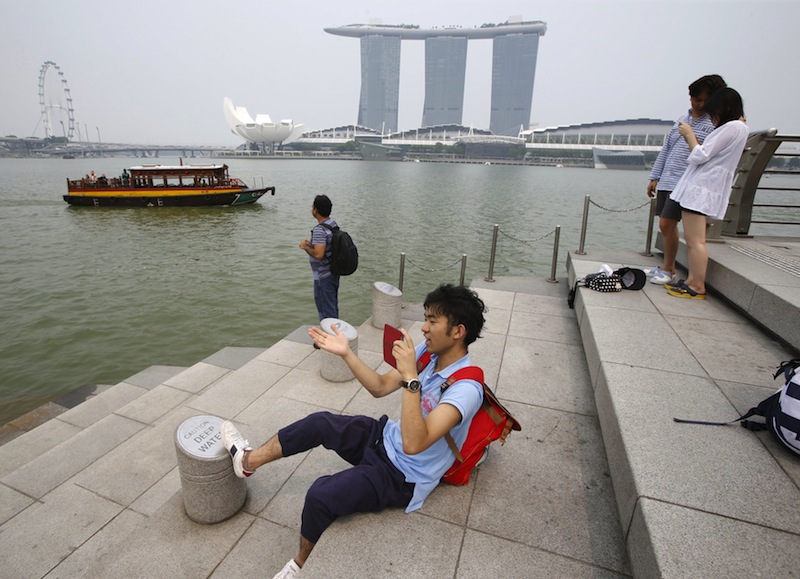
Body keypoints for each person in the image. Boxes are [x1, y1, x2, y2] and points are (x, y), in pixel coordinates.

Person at [221, 284, 487, 579]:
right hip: (385, 437)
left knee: (320, 495)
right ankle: (247, 462)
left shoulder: (467, 389)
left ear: (458, 332)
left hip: (403, 476)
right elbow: (380, 387)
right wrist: (346, 353)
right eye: (425, 318)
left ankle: (299, 564)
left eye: (432, 321)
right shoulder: (427, 352)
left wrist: (412, 377)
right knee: (319, 423)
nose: (423, 328)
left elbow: (414, 444)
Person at [666, 87, 748, 299]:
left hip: (701, 188)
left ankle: (696, 285)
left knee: (695, 241)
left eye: (714, 113)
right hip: (707, 187)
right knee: (696, 240)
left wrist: (689, 136)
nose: (712, 118)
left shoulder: (732, 127)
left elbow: (701, 154)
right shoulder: (740, 127)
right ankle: (693, 281)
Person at [646, 74, 727, 285]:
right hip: (668, 178)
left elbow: (707, 154)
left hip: (687, 182)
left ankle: (670, 268)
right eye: (695, 99)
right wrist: (655, 176)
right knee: (665, 225)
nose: (699, 104)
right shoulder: (682, 120)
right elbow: (668, 149)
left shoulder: (715, 124)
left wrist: (691, 135)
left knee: (668, 224)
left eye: (704, 100)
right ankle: (667, 266)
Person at [299, 195, 339, 322]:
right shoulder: (332, 224)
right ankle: (335, 334)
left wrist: (305, 247)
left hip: (323, 276)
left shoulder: (319, 229)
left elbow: (318, 254)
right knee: (332, 307)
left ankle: (329, 337)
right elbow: (328, 245)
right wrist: (313, 243)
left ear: (315, 210)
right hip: (333, 272)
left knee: (325, 310)